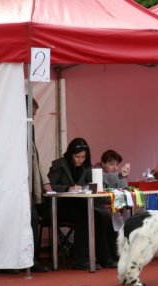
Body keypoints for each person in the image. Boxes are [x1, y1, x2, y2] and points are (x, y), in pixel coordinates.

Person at [47, 138, 117, 269]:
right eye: (77, 157)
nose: (80, 160)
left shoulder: (86, 167)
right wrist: (68, 188)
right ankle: (81, 259)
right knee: (86, 215)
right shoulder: (59, 165)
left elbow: (94, 184)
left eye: (83, 157)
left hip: (81, 205)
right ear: (71, 154)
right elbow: (49, 185)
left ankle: (106, 257)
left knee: (101, 216)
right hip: (60, 206)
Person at [28, 96, 52, 273]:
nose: (34, 117)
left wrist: (45, 182)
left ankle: (33, 258)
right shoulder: (24, 129)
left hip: (29, 185)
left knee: (33, 219)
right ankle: (32, 259)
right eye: (33, 114)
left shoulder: (30, 129)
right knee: (33, 220)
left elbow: (35, 159)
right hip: (25, 185)